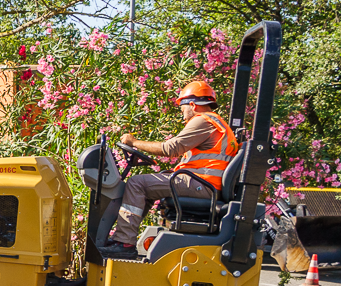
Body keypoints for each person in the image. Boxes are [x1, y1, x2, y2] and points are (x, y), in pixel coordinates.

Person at [102, 80, 239, 259]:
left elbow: (171, 149)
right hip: (204, 183)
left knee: (137, 183)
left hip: (200, 184)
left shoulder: (203, 121)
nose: (183, 116)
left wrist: (133, 142)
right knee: (148, 185)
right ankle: (123, 238)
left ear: (192, 105)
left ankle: (124, 243)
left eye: (183, 109)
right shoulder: (218, 124)